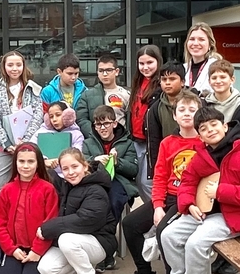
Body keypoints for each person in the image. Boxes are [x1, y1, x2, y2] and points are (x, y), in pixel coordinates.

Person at [160, 105, 240, 274]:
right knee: (168, 235)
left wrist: (220, 192)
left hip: (236, 215)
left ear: (224, 126)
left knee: (195, 243)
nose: (210, 130)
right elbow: (188, 181)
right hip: (206, 211)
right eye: (204, 128)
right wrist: (189, 204)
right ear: (200, 136)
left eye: (214, 124)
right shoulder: (203, 155)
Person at [118, 92, 201, 274]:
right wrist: (157, 206)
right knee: (130, 224)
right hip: (169, 197)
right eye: (182, 110)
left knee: (164, 231)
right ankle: (145, 273)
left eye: (192, 110)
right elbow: (160, 177)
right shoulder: (168, 143)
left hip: (190, 200)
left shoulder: (205, 143)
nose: (187, 114)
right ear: (174, 115)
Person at [37, 149, 117, 274]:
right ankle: (83, 265)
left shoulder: (96, 190)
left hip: (99, 241)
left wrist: (48, 228)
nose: (71, 172)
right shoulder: (67, 186)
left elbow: (86, 219)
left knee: (66, 240)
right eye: (65, 169)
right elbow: (47, 175)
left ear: (85, 166)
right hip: (76, 242)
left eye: (75, 166)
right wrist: (44, 163)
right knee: (46, 269)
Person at [0, 144, 58, 274]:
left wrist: (37, 251)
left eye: (31, 161)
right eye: (21, 161)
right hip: (14, 248)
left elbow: (50, 222)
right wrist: (11, 249)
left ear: (38, 163)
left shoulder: (47, 189)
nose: (26, 166)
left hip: (37, 248)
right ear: (15, 162)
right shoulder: (7, 189)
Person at [82, 104, 138, 272]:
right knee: (93, 203)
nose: (102, 128)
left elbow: (133, 169)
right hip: (95, 181)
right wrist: (94, 161)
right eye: (98, 124)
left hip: (118, 181)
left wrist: (117, 162)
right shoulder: (88, 143)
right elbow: (82, 165)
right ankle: (99, 247)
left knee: (113, 201)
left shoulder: (127, 143)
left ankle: (106, 249)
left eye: (106, 123)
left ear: (114, 123)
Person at [0, 50, 44, 197]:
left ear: (23, 66)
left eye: (18, 65)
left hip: (29, 143)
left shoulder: (32, 88)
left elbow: (38, 116)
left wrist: (25, 141)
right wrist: (7, 144)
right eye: (10, 65)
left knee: (31, 180)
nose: (15, 68)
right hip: (6, 146)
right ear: (4, 67)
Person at [128, 45, 163, 199]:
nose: (145, 67)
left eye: (150, 62)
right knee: (138, 183)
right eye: (141, 63)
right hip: (136, 140)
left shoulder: (161, 84)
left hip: (152, 142)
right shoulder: (138, 82)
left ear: (158, 61)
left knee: (147, 183)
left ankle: (157, 211)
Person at [146, 61, 188, 172]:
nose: (167, 83)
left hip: (193, 156)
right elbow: (154, 142)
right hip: (168, 158)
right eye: (164, 79)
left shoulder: (195, 103)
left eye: (172, 79)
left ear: (182, 82)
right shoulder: (155, 108)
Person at [77, 54, 130, 138]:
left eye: (109, 70)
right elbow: (81, 120)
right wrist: (95, 135)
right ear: (97, 72)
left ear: (116, 71)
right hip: (96, 140)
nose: (105, 74)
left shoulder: (126, 95)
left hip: (121, 140)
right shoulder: (87, 95)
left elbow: (131, 121)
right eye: (101, 71)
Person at [203, 59, 240, 138]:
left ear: (232, 80)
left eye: (223, 77)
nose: (218, 81)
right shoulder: (203, 105)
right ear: (209, 81)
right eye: (214, 78)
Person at [29, 101, 84, 171]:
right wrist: (43, 160)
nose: (54, 119)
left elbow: (77, 155)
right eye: (51, 117)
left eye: (58, 115)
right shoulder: (40, 132)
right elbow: (30, 148)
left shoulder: (77, 135)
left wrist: (60, 161)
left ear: (68, 115)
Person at [183, 23, 222, 96]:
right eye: (192, 39)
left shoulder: (219, 68)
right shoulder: (183, 68)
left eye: (201, 39)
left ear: (210, 45)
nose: (195, 43)